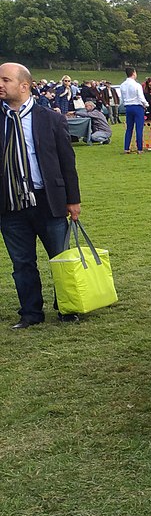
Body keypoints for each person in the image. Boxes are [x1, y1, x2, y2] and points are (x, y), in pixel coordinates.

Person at [0, 62, 82, 328]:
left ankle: (67, 308)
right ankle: (30, 314)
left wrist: (73, 200)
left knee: (60, 258)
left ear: (24, 86)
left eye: (5, 80)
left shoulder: (50, 118)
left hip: (48, 200)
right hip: (10, 204)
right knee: (22, 263)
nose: (0, 85)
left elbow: (67, 162)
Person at [119, 66, 146, 154]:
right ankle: (140, 149)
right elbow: (141, 97)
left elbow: (122, 99)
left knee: (129, 128)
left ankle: (126, 148)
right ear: (134, 73)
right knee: (139, 128)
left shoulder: (122, 85)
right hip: (137, 106)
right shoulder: (137, 85)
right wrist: (146, 104)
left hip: (128, 107)